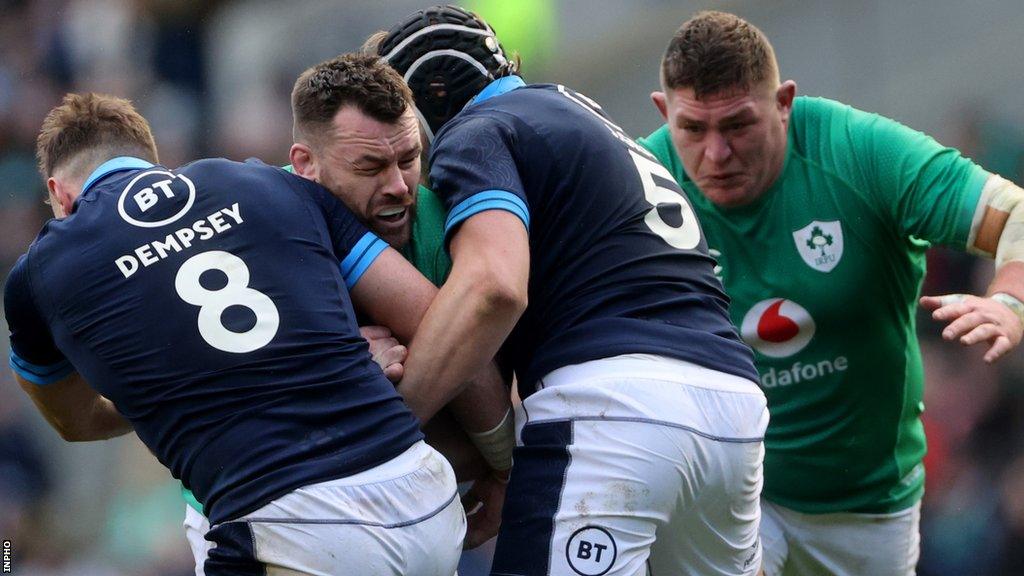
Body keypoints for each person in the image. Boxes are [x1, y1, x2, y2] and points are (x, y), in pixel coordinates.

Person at [5, 91, 474, 575]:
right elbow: (434, 316)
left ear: (59, 194)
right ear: (152, 160)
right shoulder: (266, 179)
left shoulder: (38, 273)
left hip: (294, 530)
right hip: (427, 499)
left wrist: (183, 389)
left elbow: (75, 422)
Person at [373, 6, 770, 575]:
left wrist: (385, 425)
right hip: (734, 410)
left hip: (618, 409)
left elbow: (494, 289)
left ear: (428, 106)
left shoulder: (477, 130)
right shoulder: (589, 121)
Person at [637, 11, 1024, 576]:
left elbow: (1014, 214)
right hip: (736, 495)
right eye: (693, 129)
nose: (715, 154)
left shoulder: (859, 153)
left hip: (868, 505)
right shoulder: (640, 183)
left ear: (784, 102)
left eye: (738, 126)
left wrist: (1010, 302)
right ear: (663, 112)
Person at [176, 53, 512, 573]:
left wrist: (508, 469)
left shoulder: (453, 226)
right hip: (256, 512)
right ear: (305, 165)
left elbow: (502, 385)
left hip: (417, 498)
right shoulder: (248, 236)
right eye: (371, 167)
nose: (400, 185)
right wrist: (347, 377)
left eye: (408, 157)